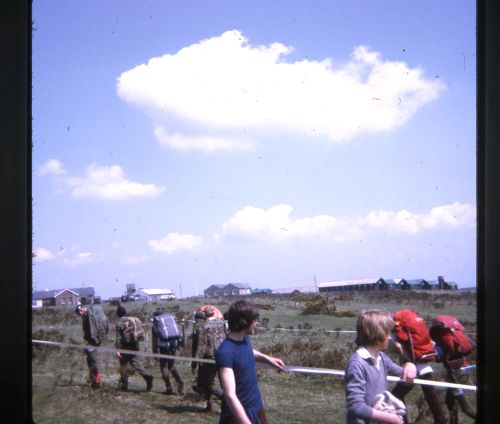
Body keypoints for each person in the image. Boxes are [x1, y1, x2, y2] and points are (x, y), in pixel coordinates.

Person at [216, 299, 285, 424]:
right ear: (245, 321)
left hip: (256, 407)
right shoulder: (225, 352)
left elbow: (247, 352)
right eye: (255, 320)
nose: (257, 323)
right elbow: (230, 396)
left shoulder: (244, 339)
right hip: (237, 416)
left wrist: (266, 358)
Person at [345, 309, 417, 424]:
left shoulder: (382, 357)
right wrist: (391, 418)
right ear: (377, 333)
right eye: (388, 333)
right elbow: (356, 407)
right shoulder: (357, 364)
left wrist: (410, 365)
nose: (390, 338)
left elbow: (402, 372)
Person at [390, 310, 447, 424]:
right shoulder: (415, 328)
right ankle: (441, 421)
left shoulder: (396, 332)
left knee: (397, 396)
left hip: (412, 368)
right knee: (431, 397)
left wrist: (404, 357)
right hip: (424, 363)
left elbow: (398, 348)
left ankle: (403, 421)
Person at [115, 306, 153, 391]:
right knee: (136, 364)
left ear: (118, 314)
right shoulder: (131, 320)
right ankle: (147, 377)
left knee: (123, 365)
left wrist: (117, 350)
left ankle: (124, 385)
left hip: (124, 347)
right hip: (135, 345)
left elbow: (118, 338)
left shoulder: (119, 323)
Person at [194, 306, 225, 411]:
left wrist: (197, 360)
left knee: (208, 382)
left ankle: (224, 400)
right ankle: (216, 406)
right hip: (223, 354)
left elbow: (201, 345)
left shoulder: (204, 326)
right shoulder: (222, 323)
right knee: (223, 381)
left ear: (205, 315)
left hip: (209, 357)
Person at [75, 302, 109, 388]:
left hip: (93, 340)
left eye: (80, 312)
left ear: (82, 309)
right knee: (89, 358)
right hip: (94, 340)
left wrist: (91, 340)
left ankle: (96, 381)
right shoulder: (88, 315)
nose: (80, 315)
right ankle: (92, 377)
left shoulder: (88, 316)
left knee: (92, 359)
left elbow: (90, 330)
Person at [151, 310, 184, 395]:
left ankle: (168, 387)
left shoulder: (156, 324)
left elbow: (154, 340)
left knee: (164, 367)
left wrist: (154, 351)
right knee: (171, 366)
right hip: (173, 345)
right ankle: (180, 383)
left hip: (163, 347)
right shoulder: (170, 321)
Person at [191, 310, 207, 395]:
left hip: (203, 358)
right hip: (210, 356)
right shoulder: (207, 327)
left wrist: (194, 363)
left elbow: (198, 347)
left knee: (203, 376)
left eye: (196, 319)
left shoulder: (200, 329)